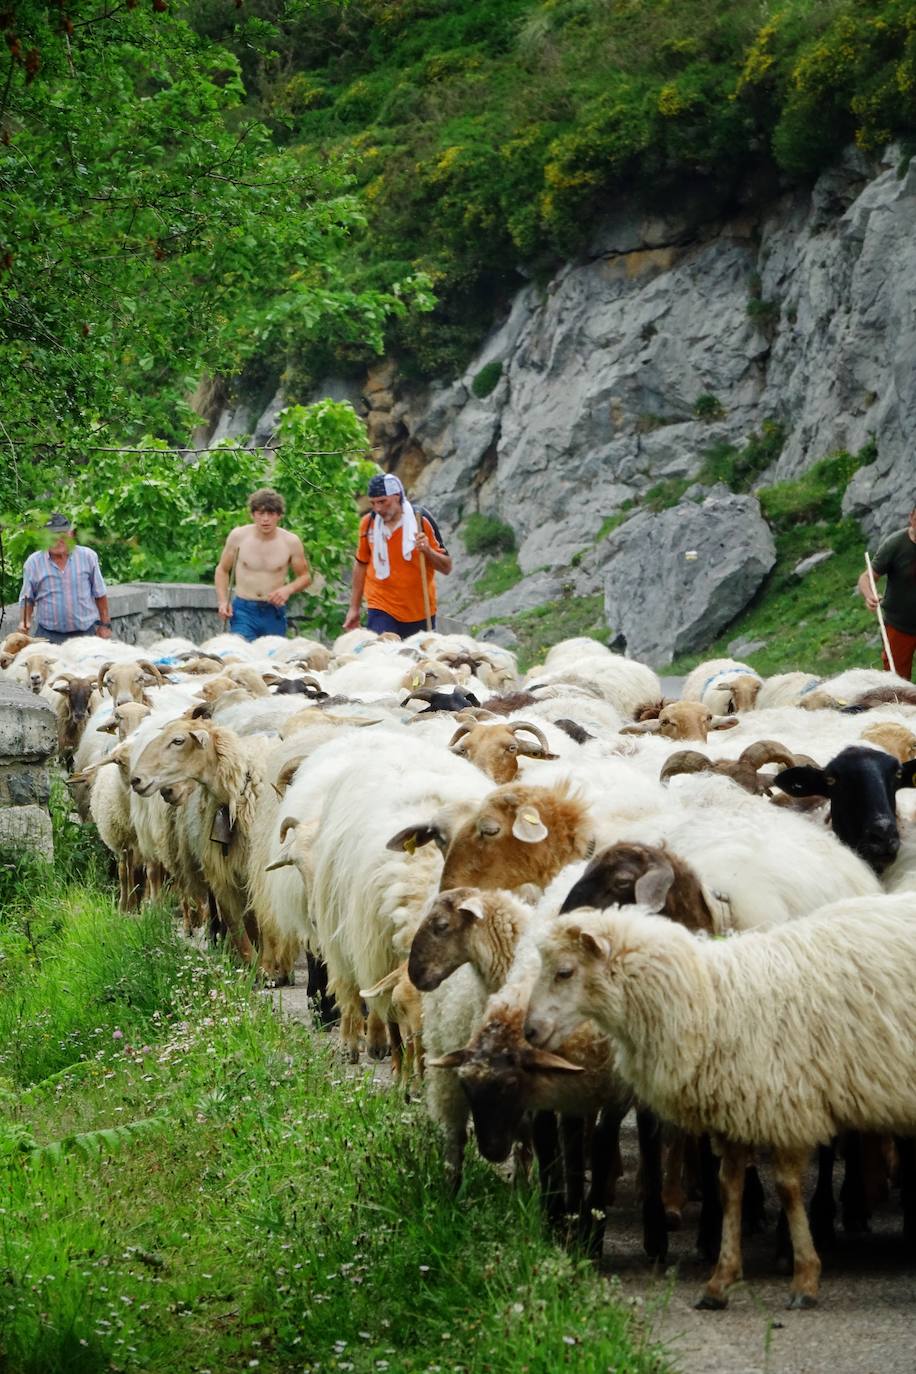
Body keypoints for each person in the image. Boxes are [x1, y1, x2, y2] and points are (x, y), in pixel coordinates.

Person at [343, 473, 451, 638]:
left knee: (416, 661)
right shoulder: (368, 524)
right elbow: (361, 563)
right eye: (373, 503)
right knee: (384, 655)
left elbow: (446, 567)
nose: (377, 509)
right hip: (380, 605)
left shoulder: (421, 520)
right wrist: (354, 608)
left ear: (397, 496)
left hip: (419, 610)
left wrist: (428, 550)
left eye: (382, 501)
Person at [215, 488, 311, 642]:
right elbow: (222, 570)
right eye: (260, 513)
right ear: (253, 515)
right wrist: (222, 601)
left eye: (271, 513)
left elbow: (305, 576)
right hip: (244, 610)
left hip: (273, 611)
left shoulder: (290, 542)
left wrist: (288, 589)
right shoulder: (238, 536)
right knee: (241, 656)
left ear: (279, 515)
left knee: (273, 659)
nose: (265, 519)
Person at [18, 513, 112, 643]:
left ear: (71, 534)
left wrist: (105, 625)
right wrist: (24, 625)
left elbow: (100, 594)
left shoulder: (88, 557)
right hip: (48, 636)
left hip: (86, 635)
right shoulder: (33, 563)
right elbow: (27, 599)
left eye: (62, 534)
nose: (57, 540)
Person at [857, 504, 916, 680]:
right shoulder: (896, 544)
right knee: (896, 682)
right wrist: (869, 596)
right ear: (911, 517)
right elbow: (866, 577)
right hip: (899, 626)